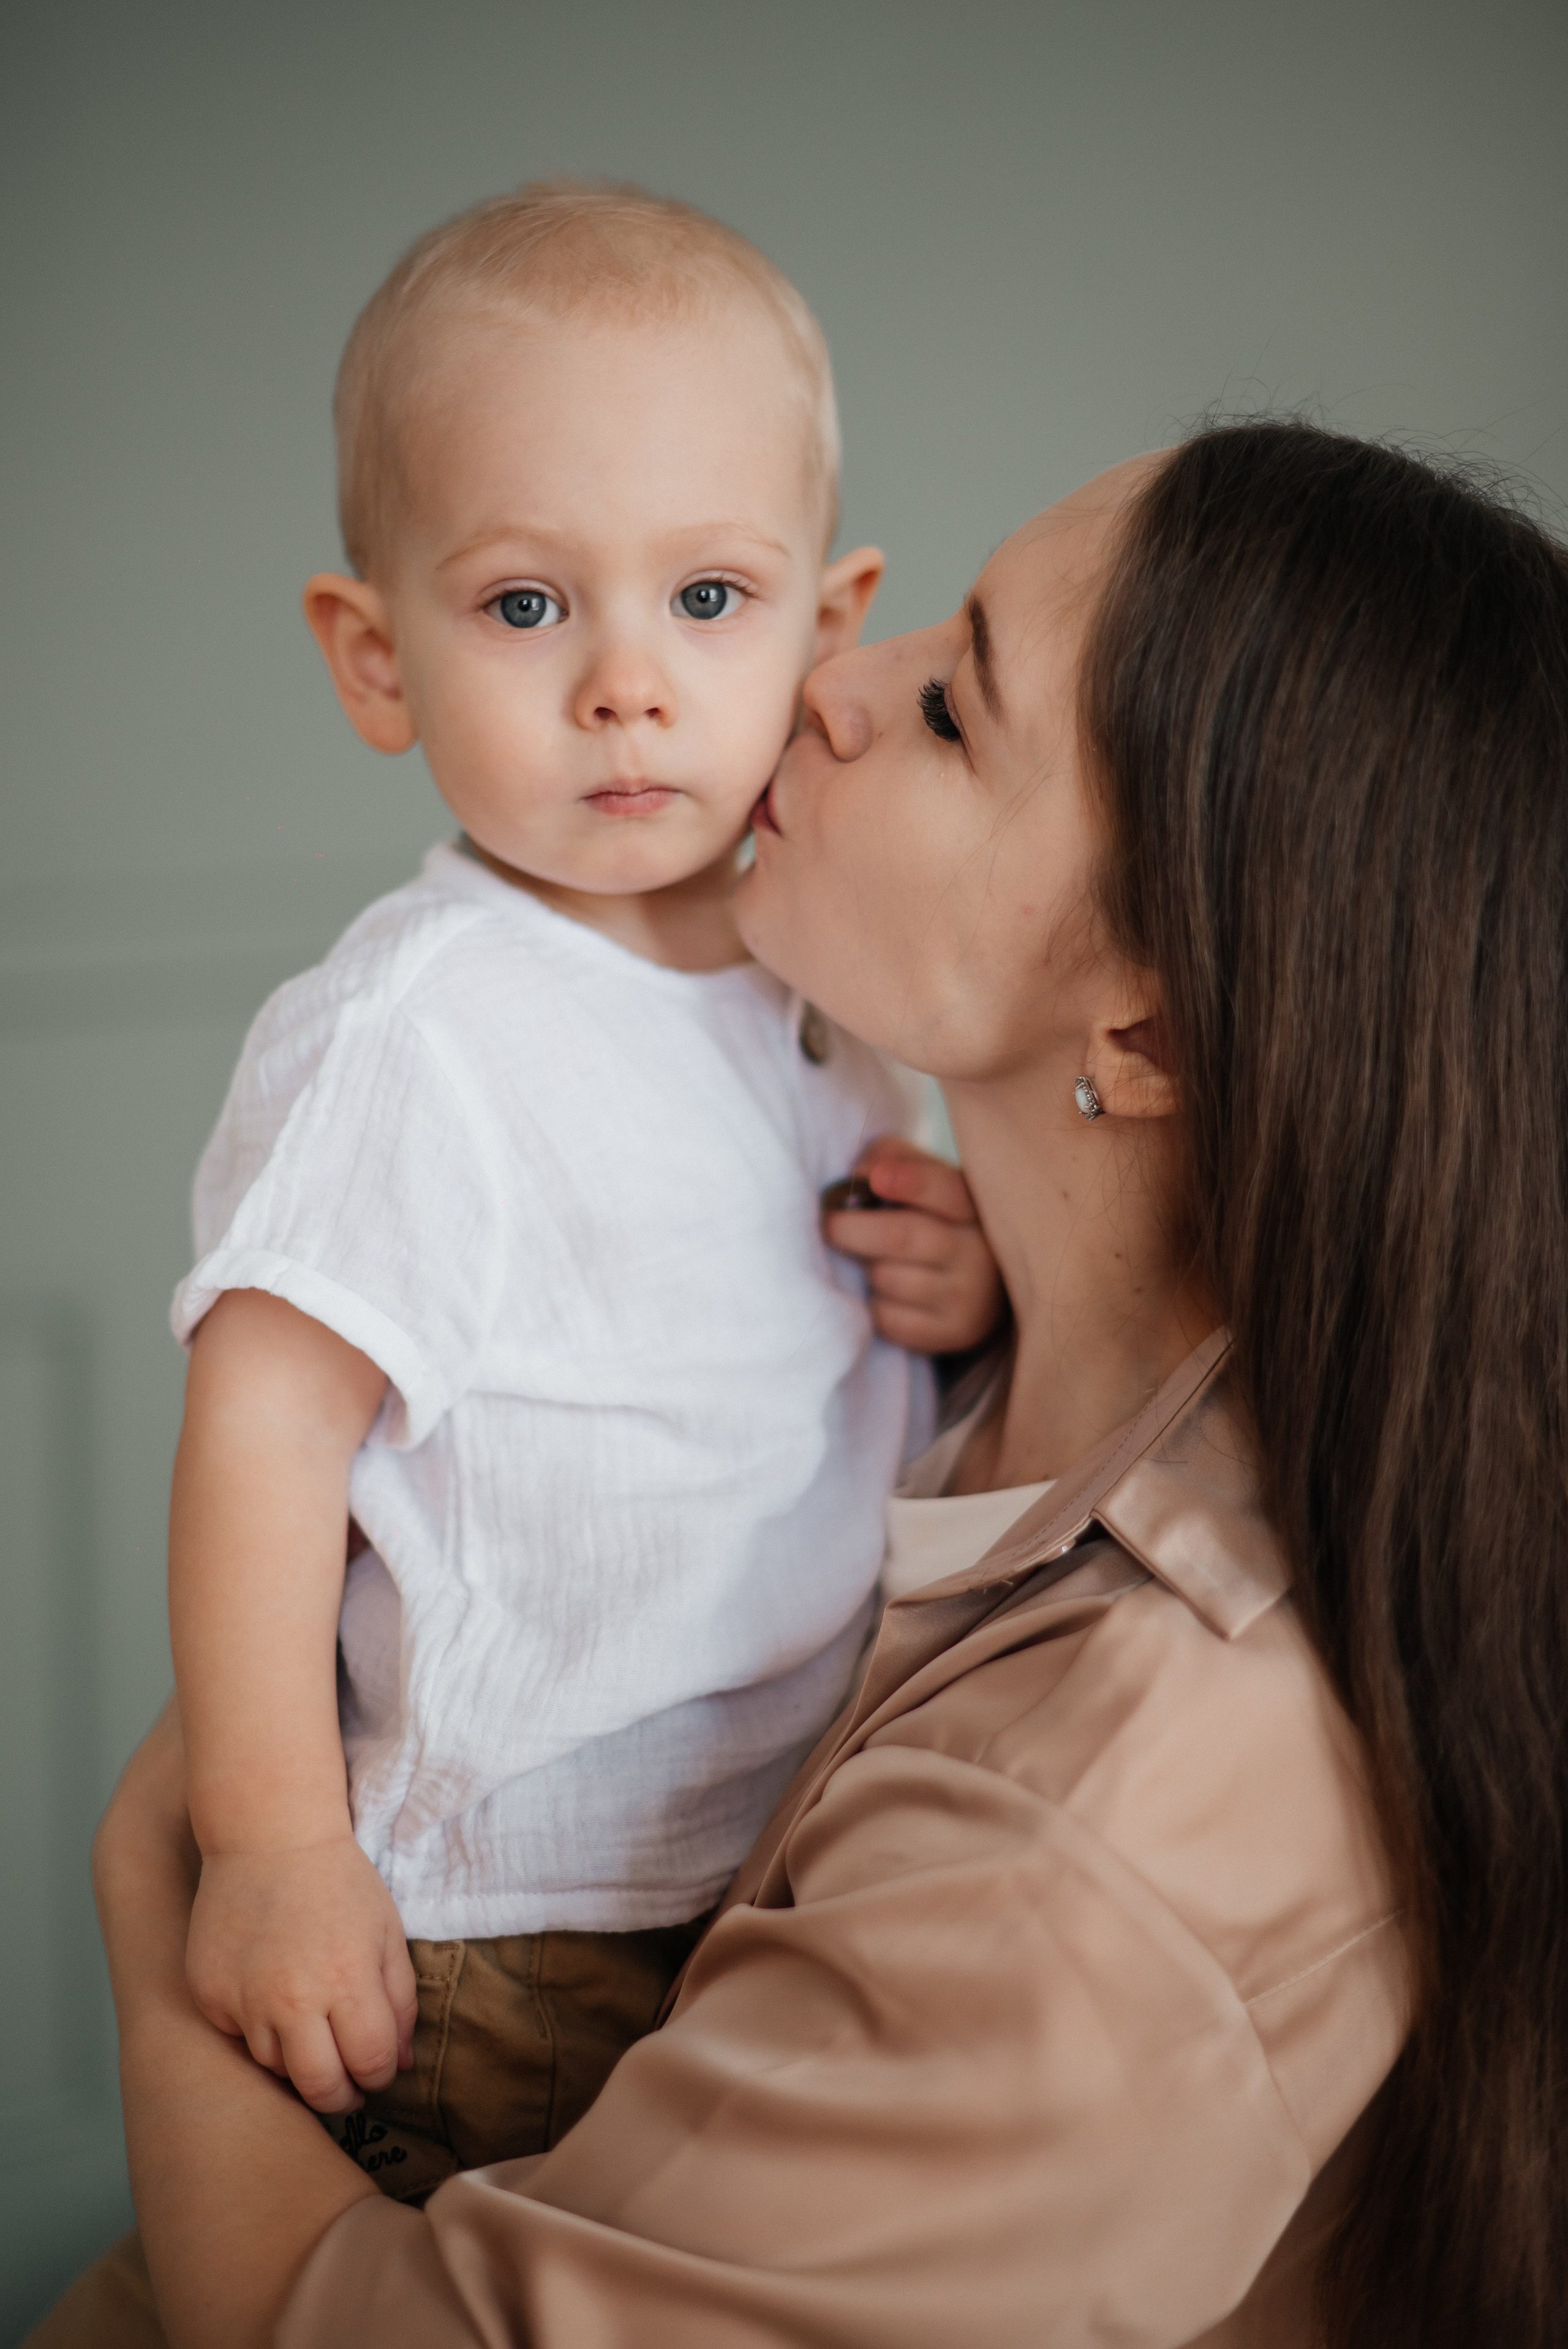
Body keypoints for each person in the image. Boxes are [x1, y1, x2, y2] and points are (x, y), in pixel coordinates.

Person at [36, 417, 1568, 2347]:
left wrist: (157, 1898)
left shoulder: (1106, 1845)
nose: (822, 683)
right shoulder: (979, 1326)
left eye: (951, 711)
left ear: (1151, 1018)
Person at [161, 176, 1002, 2198]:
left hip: (781, 1861)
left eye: (708, 600)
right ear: (378, 662)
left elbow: (810, 1354)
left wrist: (958, 1296)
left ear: (828, 625)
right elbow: (267, 1430)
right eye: (529, 604)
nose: (626, 679)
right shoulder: (422, 1028)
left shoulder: (827, 980)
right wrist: (279, 1842)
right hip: (503, 1917)